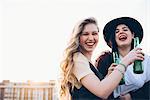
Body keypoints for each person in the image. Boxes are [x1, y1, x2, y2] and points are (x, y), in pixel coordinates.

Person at [59, 17, 144, 100]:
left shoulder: (88, 62)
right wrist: (126, 61)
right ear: (78, 37)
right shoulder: (77, 58)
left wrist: (108, 76)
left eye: (94, 33)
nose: (91, 38)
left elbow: (97, 90)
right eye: (85, 34)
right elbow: (102, 92)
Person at [95, 17, 150, 99]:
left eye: (125, 29)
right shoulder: (104, 60)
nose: (121, 32)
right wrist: (107, 77)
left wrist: (131, 97)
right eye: (117, 31)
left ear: (133, 35)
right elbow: (96, 90)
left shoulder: (145, 60)